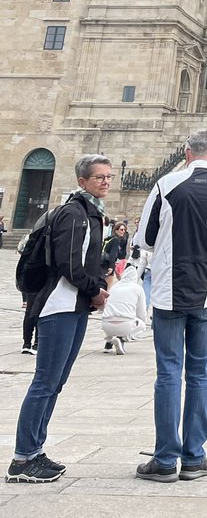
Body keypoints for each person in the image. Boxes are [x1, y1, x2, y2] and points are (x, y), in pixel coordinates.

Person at [134, 129, 207, 484]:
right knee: (199, 373)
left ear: (187, 152)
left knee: (168, 373)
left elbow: (146, 240)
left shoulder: (166, 185)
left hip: (167, 292)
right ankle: (194, 457)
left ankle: (165, 459)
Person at [6, 155, 112, 484]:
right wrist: (96, 290)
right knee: (45, 382)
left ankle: (35, 450)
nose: (106, 182)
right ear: (83, 181)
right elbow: (69, 263)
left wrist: (96, 286)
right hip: (58, 306)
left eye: (109, 177)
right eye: (99, 177)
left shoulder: (91, 213)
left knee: (56, 383)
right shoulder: (74, 214)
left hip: (75, 306)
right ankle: (22, 458)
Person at [101, 261, 148, 352]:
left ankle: (108, 343)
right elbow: (141, 311)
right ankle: (123, 338)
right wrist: (142, 321)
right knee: (141, 325)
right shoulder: (138, 288)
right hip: (125, 324)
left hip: (106, 325)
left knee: (112, 315)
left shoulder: (114, 287)